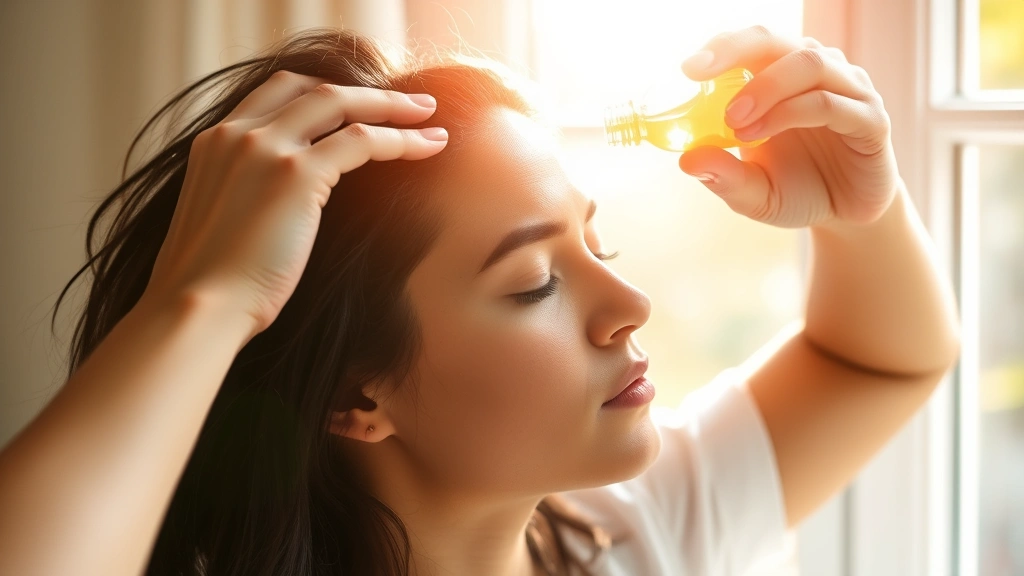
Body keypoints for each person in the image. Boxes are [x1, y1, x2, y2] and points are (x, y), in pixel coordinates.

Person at [0, 25, 960, 576]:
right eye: (535, 282)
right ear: (356, 397)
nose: (629, 301)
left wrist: (858, 214)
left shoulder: (626, 536)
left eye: (598, 242)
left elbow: (878, 360)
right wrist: (201, 298)